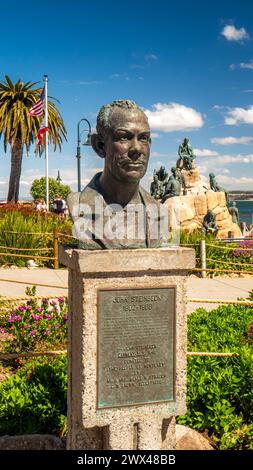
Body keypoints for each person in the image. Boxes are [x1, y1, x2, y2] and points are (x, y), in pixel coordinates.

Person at [67, 99, 169, 249]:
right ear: (100, 146)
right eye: (124, 137)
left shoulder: (159, 212)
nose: (137, 149)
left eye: (143, 138)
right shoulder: (79, 205)